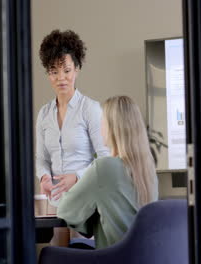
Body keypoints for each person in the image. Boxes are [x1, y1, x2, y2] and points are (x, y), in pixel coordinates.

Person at [57, 96, 159, 249]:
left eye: (102, 120)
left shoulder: (104, 168)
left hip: (115, 258)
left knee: (50, 254)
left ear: (112, 127)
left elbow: (66, 210)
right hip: (142, 257)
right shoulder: (147, 171)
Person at [36, 29, 109, 204]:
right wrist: (44, 177)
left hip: (86, 200)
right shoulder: (44, 114)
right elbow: (41, 158)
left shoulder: (90, 109)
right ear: (48, 74)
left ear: (77, 69)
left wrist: (77, 177)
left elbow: (106, 158)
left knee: (77, 234)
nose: (61, 78)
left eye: (67, 70)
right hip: (56, 202)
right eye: (54, 72)